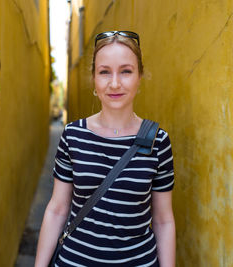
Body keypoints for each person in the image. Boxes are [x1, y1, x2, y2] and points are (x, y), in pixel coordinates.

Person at [35, 31, 175, 267]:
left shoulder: (158, 141)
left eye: (126, 71)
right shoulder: (72, 135)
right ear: (94, 79)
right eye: (104, 72)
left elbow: (163, 219)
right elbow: (57, 209)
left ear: (140, 76)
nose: (115, 83)